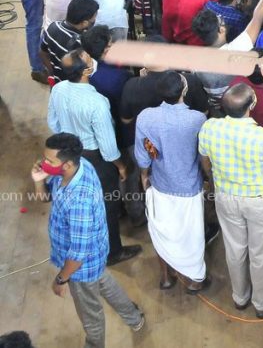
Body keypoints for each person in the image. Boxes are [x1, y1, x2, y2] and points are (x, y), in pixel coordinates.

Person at [198, 82, 263, 319]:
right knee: (261, 253)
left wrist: (213, 182)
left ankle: (240, 296)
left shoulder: (210, 127)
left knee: (234, 248)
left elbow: (205, 160)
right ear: (252, 105)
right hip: (259, 201)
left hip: (226, 197)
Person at [32, 133, 145, 347]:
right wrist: (39, 182)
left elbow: (78, 253)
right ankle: (134, 317)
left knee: (90, 315)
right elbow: (45, 196)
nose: (44, 164)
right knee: (102, 278)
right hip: (96, 253)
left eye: (50, 161)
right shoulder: (80, 164)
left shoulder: (79, 201)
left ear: (66, 165)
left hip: (80, 266)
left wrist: (61, 279)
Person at [47, 49, 138, 265]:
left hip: (69, 154)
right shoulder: (97, 102)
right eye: (90, 60)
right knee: (108, 204)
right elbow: (107, 146)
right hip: (95, 158)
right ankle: (113, 252)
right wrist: (121, 166)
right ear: (86, 71)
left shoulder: (58, 90)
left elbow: (54, 123)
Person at [135, 71, 208, 292]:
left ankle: (166, 277)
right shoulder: (197, 119)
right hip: (189, 187)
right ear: (184, 91)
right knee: (191, 235)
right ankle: (195, 279)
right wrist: (209, 181)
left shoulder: (145, 117)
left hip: (160, 183)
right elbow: (203, 155)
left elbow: (142, 155)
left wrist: (144, 176)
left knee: (162, 232)